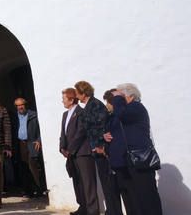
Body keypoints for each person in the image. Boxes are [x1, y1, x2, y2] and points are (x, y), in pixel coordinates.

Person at [105, 83, 163, 215]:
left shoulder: (136, 107)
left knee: (147, 198)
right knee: (138, 199)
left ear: (130, 96)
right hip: (133, 160)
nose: (116, 101)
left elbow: (120, 113)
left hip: (141, 159)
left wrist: (117, 98)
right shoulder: (129, 110)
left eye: (120, 97)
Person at [75, 80, 117, 215]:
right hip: (96, 149)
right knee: (105, 183)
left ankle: (113, 211)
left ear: (83, 93)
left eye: (77, 93)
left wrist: (99, 144)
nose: (76, 96)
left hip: (101, 149)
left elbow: (102, 126)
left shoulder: (95, 104)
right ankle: (111, 210)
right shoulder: (89, 106)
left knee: (108, 183)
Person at [60, 87, 99, 215]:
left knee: (88, 183)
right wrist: (62, 147)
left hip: (83, 153)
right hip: (71, 154)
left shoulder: (81, 112)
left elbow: (81, 133)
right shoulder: (65, 114)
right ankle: (83, 207)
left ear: (71, 100)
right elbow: (63, 133)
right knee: (77, 182)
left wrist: (70, 149)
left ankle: (93, 210)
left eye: (64, 99)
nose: (62, 101)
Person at [14, 97, 43, 197]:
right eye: (17, 106)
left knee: (33, 166)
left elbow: (41, 128)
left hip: (31, 142)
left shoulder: (33, 115)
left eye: (21, 105)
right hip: (20, 144)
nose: (20, 107)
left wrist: (39, 140)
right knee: (23, 168)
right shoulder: (14, 117)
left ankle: (39, 189)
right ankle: (28, 191)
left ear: (25, 105)